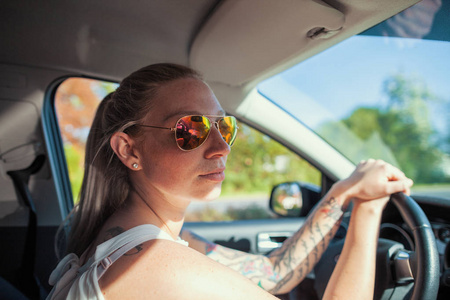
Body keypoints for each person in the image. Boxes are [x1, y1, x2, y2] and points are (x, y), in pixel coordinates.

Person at [47, 63, 413, 299]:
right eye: (191, 129)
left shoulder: (140, 239)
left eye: (224, 125)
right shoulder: (153, 261)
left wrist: (343, 191)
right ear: (129, 151)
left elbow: (272, 273)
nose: (221, 147)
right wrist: (368, 209)